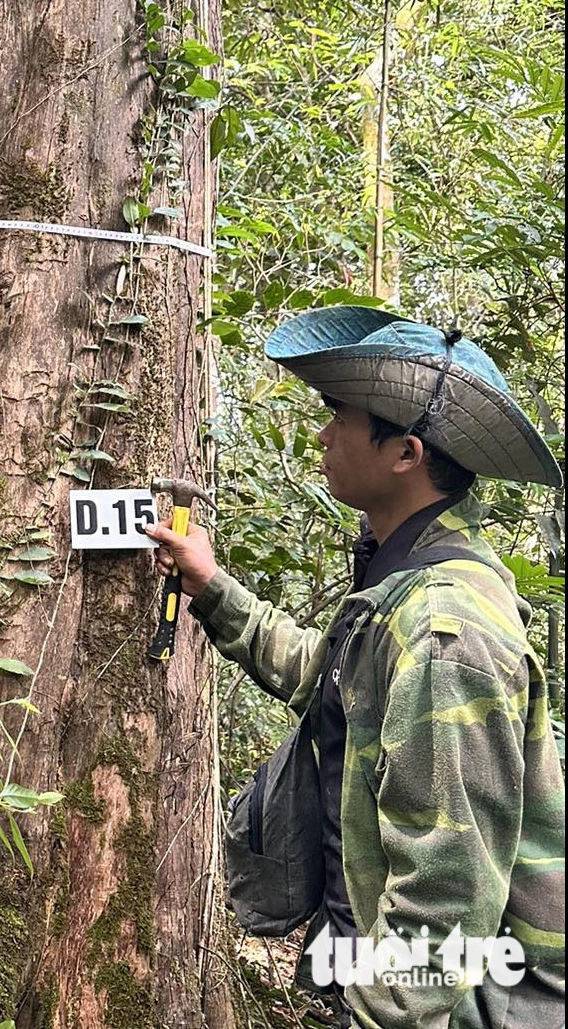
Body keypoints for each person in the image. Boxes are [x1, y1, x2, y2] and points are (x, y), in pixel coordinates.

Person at [147, 307, 565, 1028]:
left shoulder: (446, 632)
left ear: (404, 453)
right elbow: (331, 676)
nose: (323, 434)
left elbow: (445, 902)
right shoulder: (407, 581)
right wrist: (212, 587)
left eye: (340, 416)